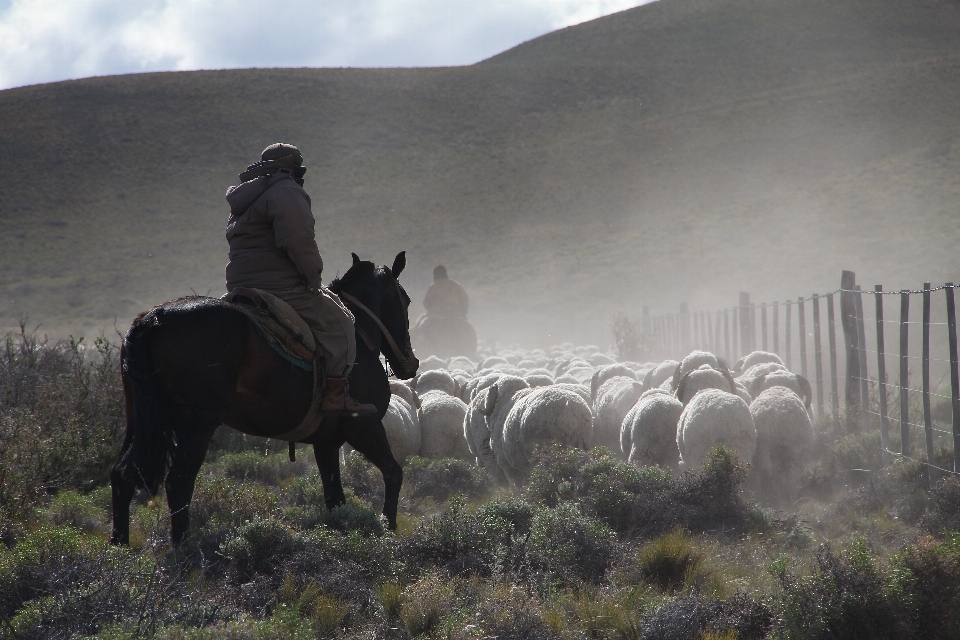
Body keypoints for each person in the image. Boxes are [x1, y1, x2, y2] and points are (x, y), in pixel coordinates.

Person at [224, 143, 373, 415]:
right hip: (280, 286)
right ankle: (334, 397)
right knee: (341, 324)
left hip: (239, 285)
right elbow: (298, 241)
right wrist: (313, 277)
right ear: (291, 167)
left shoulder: (245, 199)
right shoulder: (286, 191)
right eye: (300, 169)